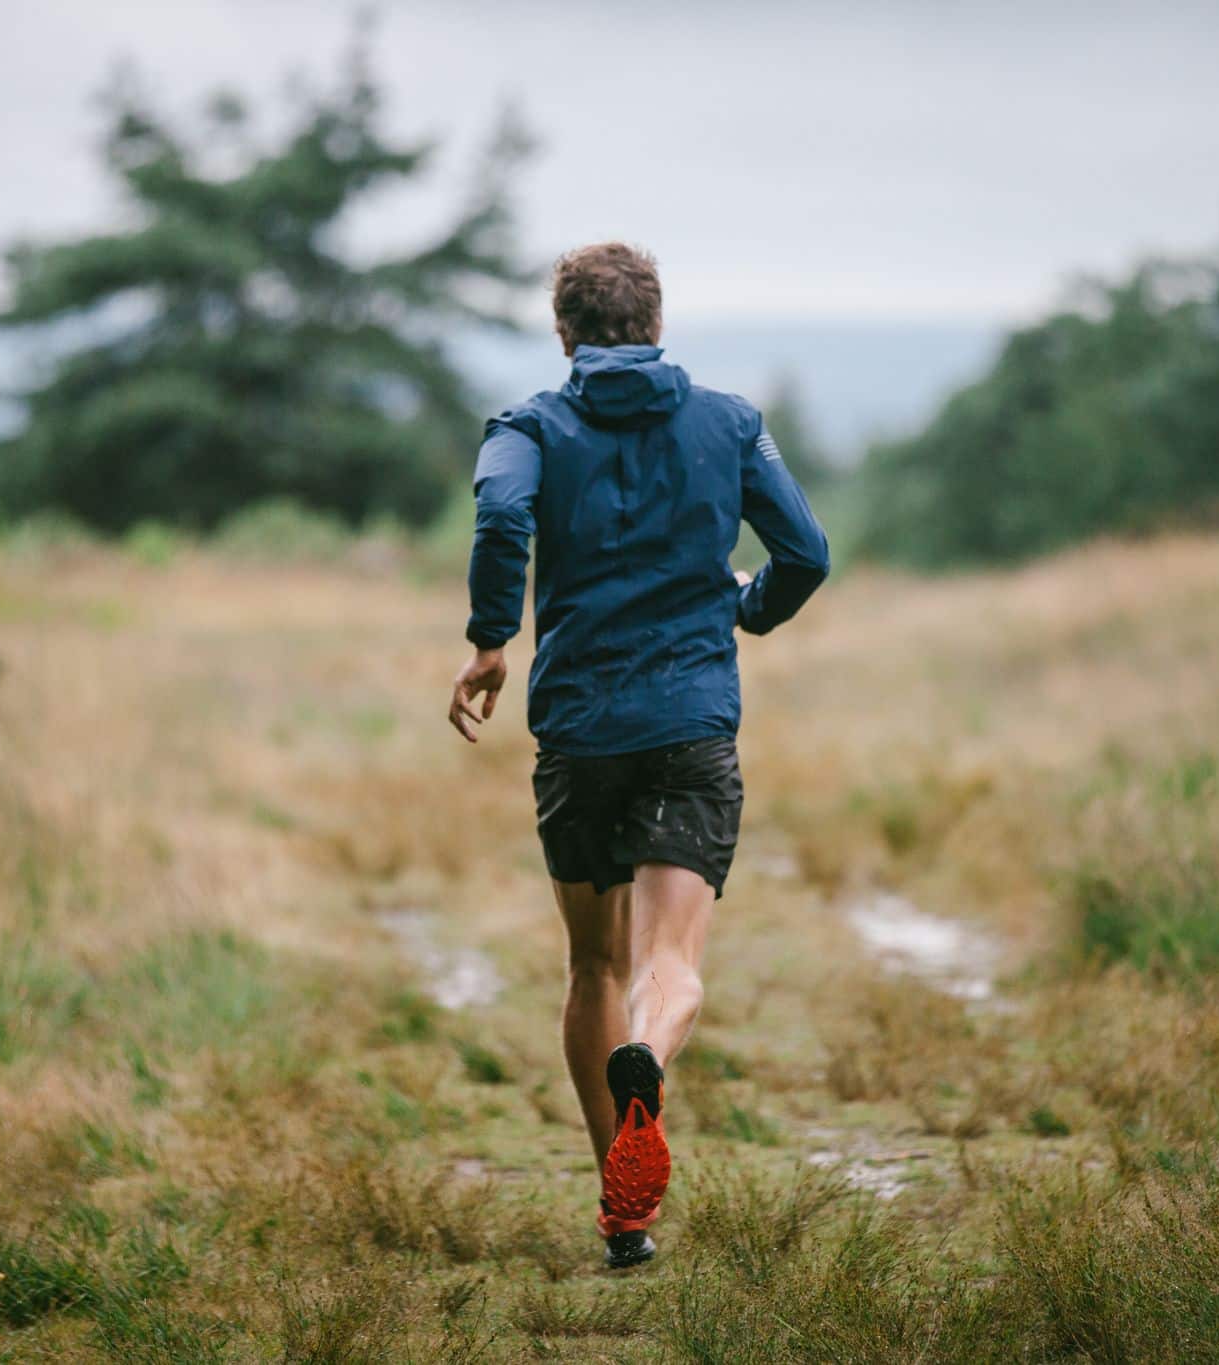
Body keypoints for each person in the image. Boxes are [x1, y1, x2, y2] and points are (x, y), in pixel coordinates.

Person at [447, 242, 830, 1269]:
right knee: (670, 965)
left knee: (591, 962)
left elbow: (498, 510)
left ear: (563, 333)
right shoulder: (729, 424)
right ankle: (647, 1060)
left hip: (577, 731)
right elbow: (805, 553)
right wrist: (745, 609)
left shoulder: (527, 427)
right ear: (656, 324)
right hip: (690, 725)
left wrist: (491, 638)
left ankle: (625, 1214)